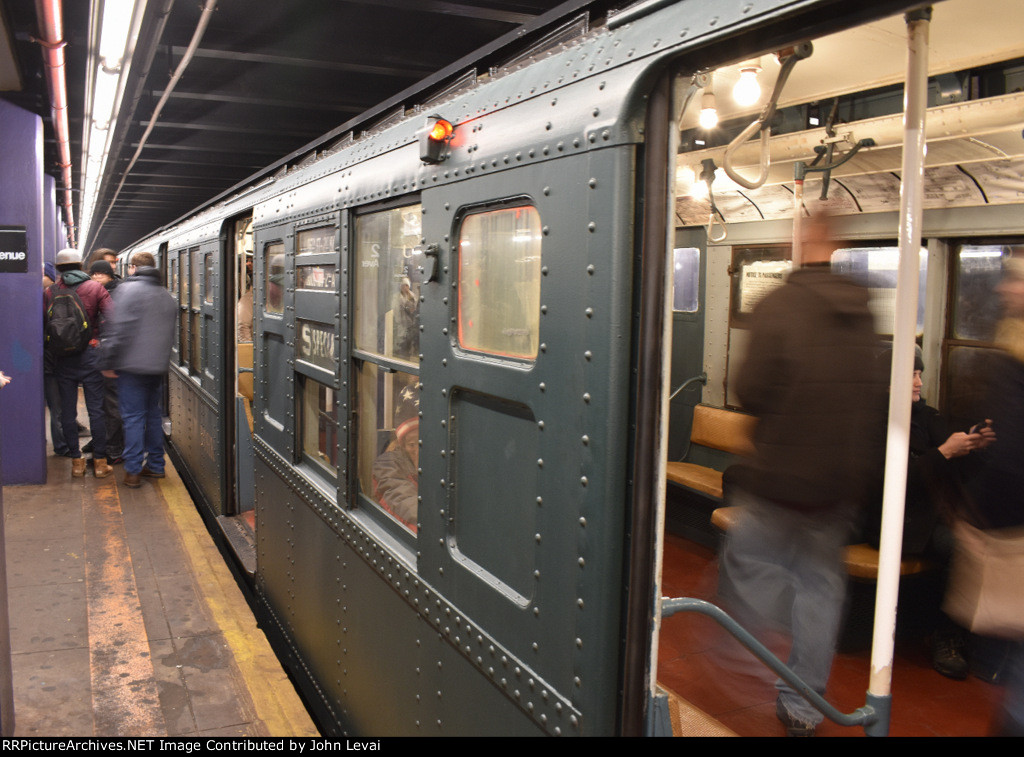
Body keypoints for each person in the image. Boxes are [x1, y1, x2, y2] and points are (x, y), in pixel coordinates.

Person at [719, 214, 885, 736]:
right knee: (821, 590)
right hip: (840, 486)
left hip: (783, 477)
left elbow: (749, 389)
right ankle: (803, 704)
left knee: (745, 567)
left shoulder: (779, 306)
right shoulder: (862, 310)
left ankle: (747, 663)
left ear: (802, 243)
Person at [864, 348, 994, 679]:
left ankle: (978, 634)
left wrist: (972, 447)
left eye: (920, 374)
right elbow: (890, 481)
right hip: (897, 519)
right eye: (912, 375)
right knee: (960, 547)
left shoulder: (928, 417)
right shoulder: (870, 422)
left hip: (935, 512)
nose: (919, 383)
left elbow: (955, 467)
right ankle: (946, 635)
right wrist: (944, 453)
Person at [968, 257, 1024, 735]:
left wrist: (985, 517)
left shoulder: (1014, 354)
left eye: (1018, 279)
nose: (1006, 289)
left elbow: (1012, 458)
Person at [100, 252, 176, 488]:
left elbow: (118, 330)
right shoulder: (166, 295)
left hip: (131, 367)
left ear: (133, 268)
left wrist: (108, 362)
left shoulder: (127, 291)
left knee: (133, 418)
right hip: (157, 368)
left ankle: (132, 470)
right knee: (153, 416)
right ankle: (156, 466)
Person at [44, 248, 114, 478]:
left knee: (67, 410)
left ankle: (76, 461)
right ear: (81, 265)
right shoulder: (95, 288)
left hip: (63, 359)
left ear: (59, 269)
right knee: (96, 410)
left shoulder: (50, 292)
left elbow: (45, 324)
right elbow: (112, 318)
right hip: (90, 354)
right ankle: (101, 463)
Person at [88, 260, 124, 464]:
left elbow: (112, 326)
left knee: (111, 403)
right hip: (108, 353)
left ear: (110, 275)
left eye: (101, 274)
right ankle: (109, 445)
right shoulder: (104, 291)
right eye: (93, 274)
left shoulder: (115, 293)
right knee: (108, 402)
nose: (96, 278)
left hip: (112, 355)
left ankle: (113, 449)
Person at [42, 262, 70, 457]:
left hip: (51, 361)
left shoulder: (45, 297)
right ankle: (64, 445)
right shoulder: (57, 296)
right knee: (62, 408)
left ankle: (62, 445)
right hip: (63, 360)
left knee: (57, 409)